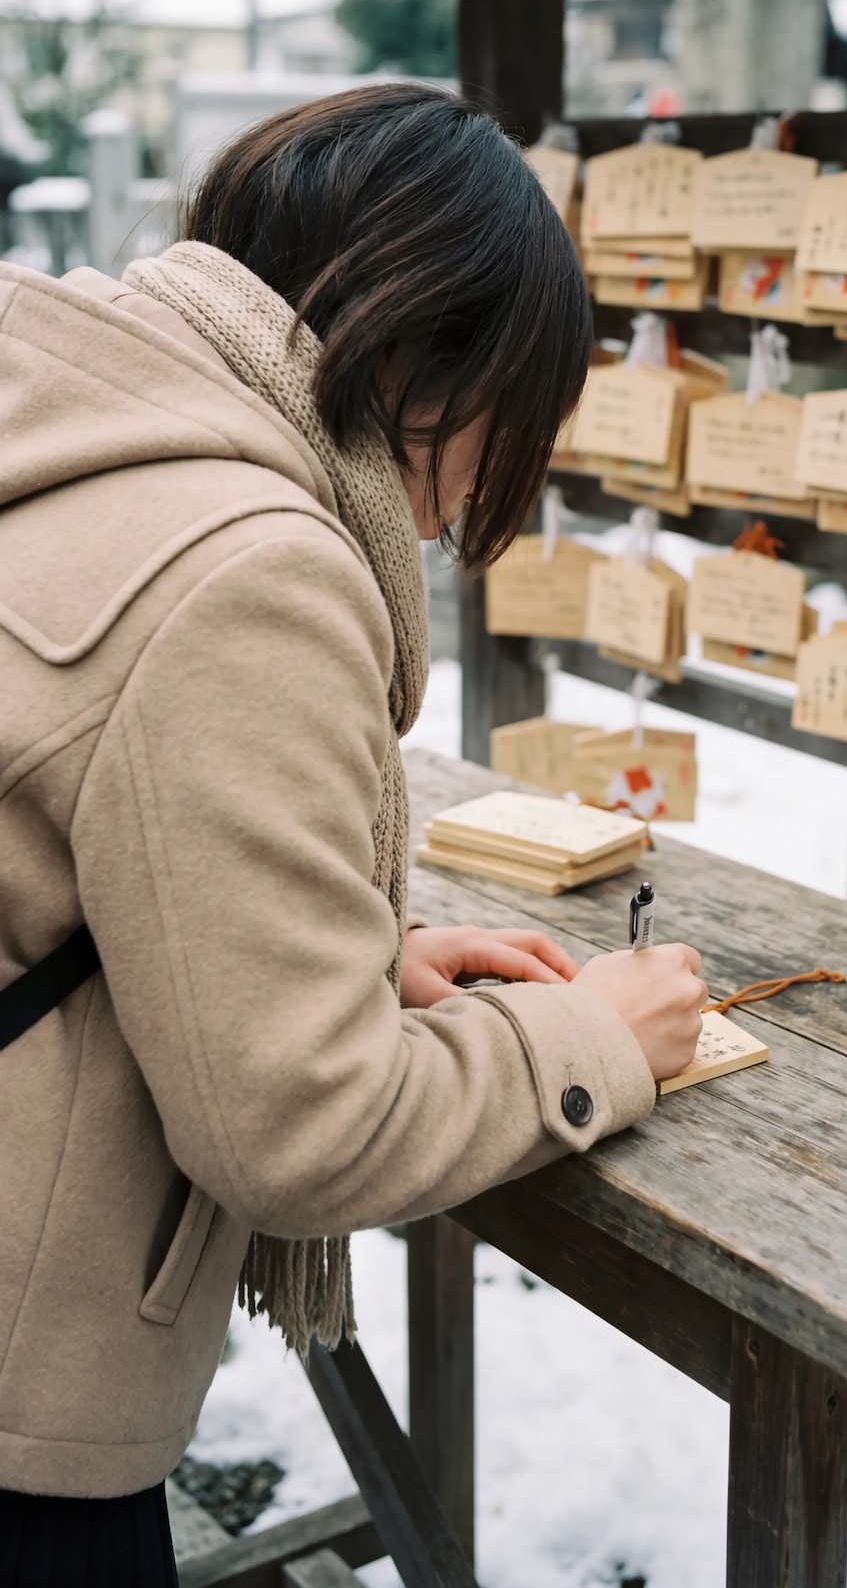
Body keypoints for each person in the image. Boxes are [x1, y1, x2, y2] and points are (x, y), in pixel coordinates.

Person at [0, 82, 707, 1585]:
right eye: (512, 413)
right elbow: (303, 1128)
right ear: (422, 359)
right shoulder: (248, 572)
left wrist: (343, 945)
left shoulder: (74, 428)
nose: (469, 503)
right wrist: (589, 1043)